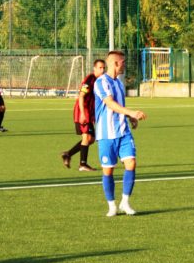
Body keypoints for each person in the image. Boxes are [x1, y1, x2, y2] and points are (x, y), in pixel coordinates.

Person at [95, 50, 147, 216]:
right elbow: (110, 103)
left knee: (131, 163)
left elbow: (120, 105)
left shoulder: (119, 83)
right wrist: (131, 112)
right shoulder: (101, 82)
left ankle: (125, 202)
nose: (125, 65)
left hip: (123, 131)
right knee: (108, 170)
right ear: (116, 63)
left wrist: (130, 117)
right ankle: (112, 206)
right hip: (106, 134)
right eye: (123, 62)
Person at [61, 59, 106, 171]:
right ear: (94, 68)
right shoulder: (90, 79)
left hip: (89, 112)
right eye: (100, 68)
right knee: (87, 137)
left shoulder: (100, 80)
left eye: (104, 68)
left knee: (91, 139)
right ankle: (83, 164)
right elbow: (81, 96)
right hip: (83, 111)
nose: (102, 70)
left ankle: (68, 154)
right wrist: (82, 113)